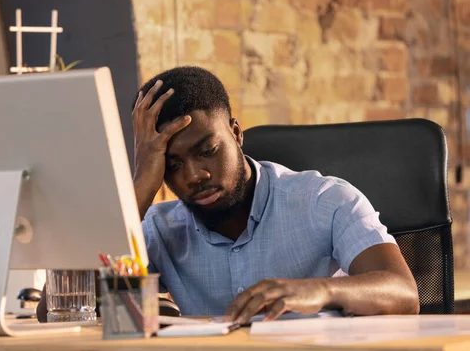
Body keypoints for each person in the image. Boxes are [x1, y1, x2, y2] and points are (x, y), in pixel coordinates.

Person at [131, 66, 419, 323]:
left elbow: (403, 292)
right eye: (172, 165)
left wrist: (317, 290)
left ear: (236, 133)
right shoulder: (157, 228)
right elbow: (89, 299)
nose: (194, 176)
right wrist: (142, 182)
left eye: (207, 151)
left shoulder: (325, 200)